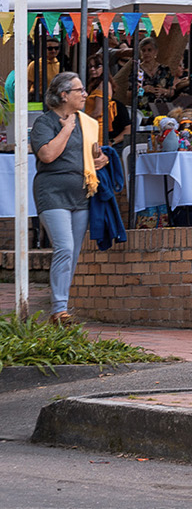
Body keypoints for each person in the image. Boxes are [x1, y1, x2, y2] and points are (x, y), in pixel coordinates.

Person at [29, 72, 103, 324]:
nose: (84, 94)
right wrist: (68, 128)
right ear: (63, 95)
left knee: (73, 252)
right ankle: (58, 308)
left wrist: (100, 160)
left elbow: (92, 156)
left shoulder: (88, 123)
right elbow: (47, 155)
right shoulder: (45, 123)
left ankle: (62, 307)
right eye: (79, 90)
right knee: (65, 247)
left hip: (80, 194)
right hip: (52, 193)